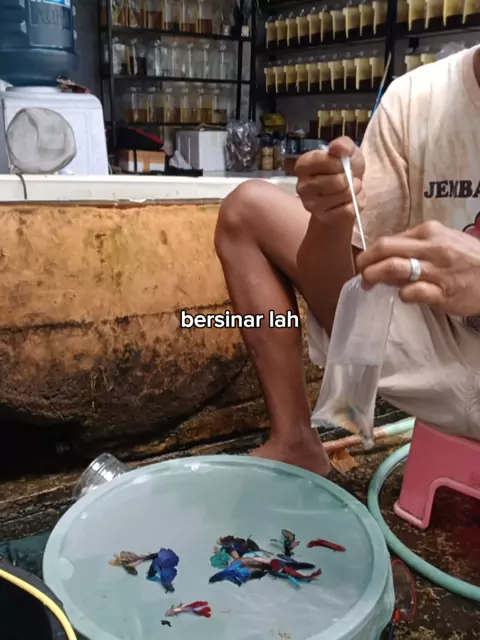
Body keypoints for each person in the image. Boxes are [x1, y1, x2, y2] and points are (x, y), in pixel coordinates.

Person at [214, 45, 480, 476]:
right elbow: (348, 303)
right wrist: (331, 221)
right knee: (247, 209)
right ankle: (295, 441)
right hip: (438, 357)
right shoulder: (416, 98)